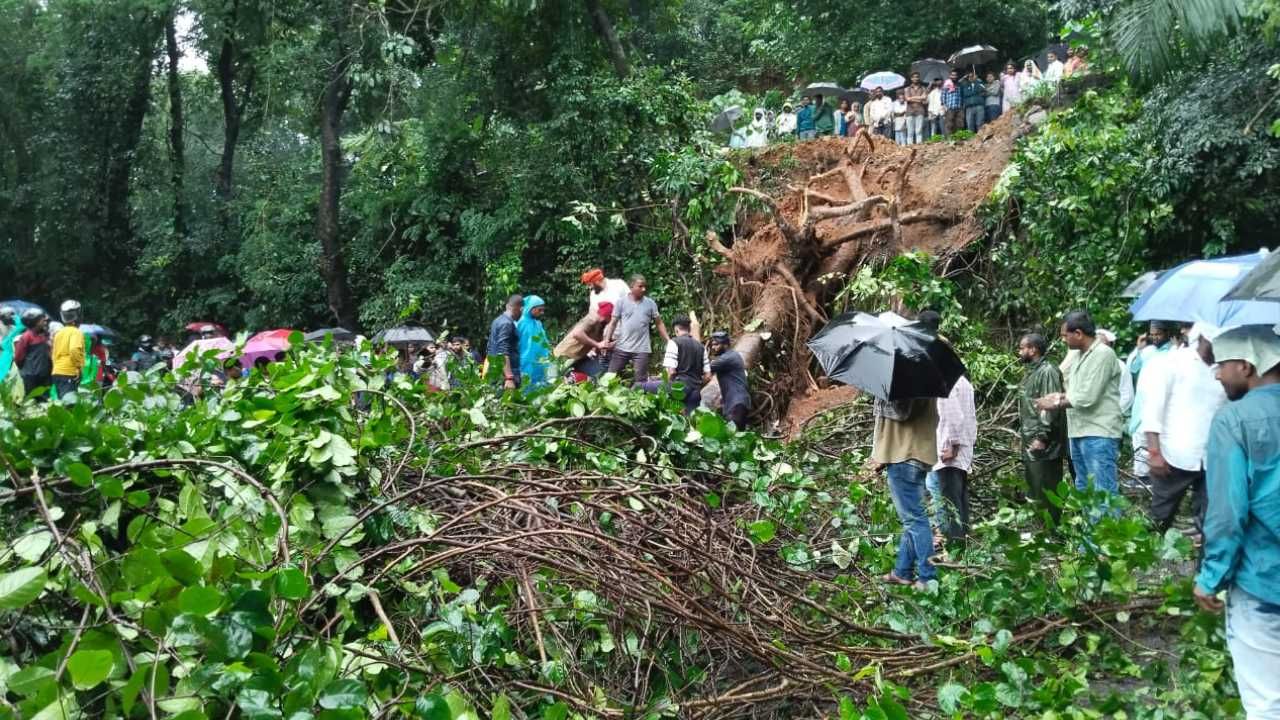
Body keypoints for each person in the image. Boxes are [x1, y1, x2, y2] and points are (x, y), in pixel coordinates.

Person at [1192, 324, 1280, 718]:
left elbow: (1228, 513)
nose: (1217, 374)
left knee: (1267, 702)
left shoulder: (1234, 420)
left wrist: (1211, 577)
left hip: (1264, 581)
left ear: (1246, 366)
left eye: (1222, 364)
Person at [1139, 322, 1227, 536]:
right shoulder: (1174, 362)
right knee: (1160, 518)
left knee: (1210, 522)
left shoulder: (1226, 369)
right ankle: (1143, 562)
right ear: (1205, 338)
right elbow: (1153, 410)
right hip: (1173, 456)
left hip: (1213, 457)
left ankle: (1203, 566)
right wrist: (1154, 453)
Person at [1036, 311, 1124, 497]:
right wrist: (1058, 396)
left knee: (1103, 491)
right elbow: (1070, 386)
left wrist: (1056, 403)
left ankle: (1108, 527)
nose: (1062, 340)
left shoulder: (1103, 354)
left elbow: (1086, 397)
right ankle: (1090, 527)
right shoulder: (1077, 356)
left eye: (1064, 335)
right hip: (1078, 431)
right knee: (1084, 489)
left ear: (1078, 334)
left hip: (1099, 432)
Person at [871, 393, 940, 589]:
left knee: (915, 521)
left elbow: (902, 412)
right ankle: (902, 571)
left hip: (904, 457)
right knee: (913, 519)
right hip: (917, 455)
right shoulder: (924, 381)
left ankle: (928, 577)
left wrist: (882, 396)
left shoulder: (905, 387)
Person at [1017, 333, 1067, 522]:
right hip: (1031, 437)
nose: (1020, 352)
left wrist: (1042, 437)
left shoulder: (1048, 371)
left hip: (1044, 443)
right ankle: (1041, 533)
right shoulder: (1033, 371)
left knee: (1047, 487)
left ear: (1033, 349)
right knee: (1035, 486)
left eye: (1022, 348)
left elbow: (1051, 405)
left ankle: (1051, 532)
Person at [1127, 321, 1179, 486]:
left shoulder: (1174, 351)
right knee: (1139, 438)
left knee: (1158, 439)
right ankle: (1141, 476)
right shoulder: (1148, 351)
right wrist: (1139, 348)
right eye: (1152, 334)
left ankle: (1157, 477)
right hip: (1142, 401)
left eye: (1158, 334)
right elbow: (1132, 369)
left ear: (1167, 333)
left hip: (1161, 402)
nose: (1155, 337)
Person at [932, 374, 977, 545]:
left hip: (950, 449)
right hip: (963, 447)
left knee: (950, 501)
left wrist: (952, 445)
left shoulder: (945, 381)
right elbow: (971, 417)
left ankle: (955, 546)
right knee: (959, 497)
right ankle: (964, 539)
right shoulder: (963, 382)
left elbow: (953, 416)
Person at [606, 275, 669, 383]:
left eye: (644, 287)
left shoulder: (650, 303)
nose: (643, 289)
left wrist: (668, 340)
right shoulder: (621, 302)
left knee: (641, 382)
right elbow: (613, 323)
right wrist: (607, 340)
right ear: (631, 287)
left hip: (642, 349)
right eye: (640, 286)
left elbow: (659, 323)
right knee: (610, 377)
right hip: (622, 347)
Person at [554, 302, 614, 383]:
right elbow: (577, 334)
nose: (611, 320)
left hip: (579, 357)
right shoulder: (592, 319)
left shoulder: (601, 325)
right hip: (564, 355)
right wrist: (598, 345)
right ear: (607, 316)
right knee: (557, 382)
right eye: (611, 317)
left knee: (596, 375)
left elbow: (598, 344)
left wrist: (606, 346)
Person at [663, 316, 710, 414]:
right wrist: (698, 385)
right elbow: (708, 376)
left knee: (641, 386)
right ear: (689, 329)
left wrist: (671, 388)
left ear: (676, 330)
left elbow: (671, 372)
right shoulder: (701, 347)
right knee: (690, 422)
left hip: (679, 387)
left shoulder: (674, 342)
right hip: (696, 391)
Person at [707, 331, 750, 427]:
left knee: (733, 437)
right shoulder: (732, 355)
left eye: (716, 345)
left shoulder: (727, 358)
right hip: (736, 403)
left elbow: (705, 368)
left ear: (725, 345)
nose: (713, 348)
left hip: (736, 404)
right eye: (712, 345)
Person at [50, 300, 86, 401]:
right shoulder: (76, 332)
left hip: (57, 371)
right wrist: (78, 367)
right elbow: (74, 350)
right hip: (69, 372)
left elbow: (53, 353)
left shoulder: (59, 333)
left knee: (62, 401)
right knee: (70, 404)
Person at [487, 294, 523, 390]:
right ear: (520, 308)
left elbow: (490, 347)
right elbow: (503, 351)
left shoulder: (497, 321)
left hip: (495, 371)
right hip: (504, 376)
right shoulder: (507, 324)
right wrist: (509, 377)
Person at [13, 309, 52, 399]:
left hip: (44, 375)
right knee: (32, 399)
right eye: (43, 320)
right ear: (35, 322)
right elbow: (18, 357)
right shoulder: (26, 336)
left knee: (45, 399)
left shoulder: (44, 335)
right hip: (30, 376)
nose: (45, 322)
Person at [517, 295, 551, 390]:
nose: (542, 312)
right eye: (539, 310)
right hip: (524, 364)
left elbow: (545, 343)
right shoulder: (519, 323)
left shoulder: (538, 324)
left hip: (540, 365)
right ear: (531, 308)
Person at [1096, 329, 1134, 413]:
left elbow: (1127, 396)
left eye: (1102, 345)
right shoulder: (1089, 363)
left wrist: (1112, 413)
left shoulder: (1120, 366)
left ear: (1110, 346)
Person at [903, 72, 928, 145]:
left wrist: (912, 98)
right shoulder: (907, 89)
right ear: (911, 78)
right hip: (910, 111)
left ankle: (919, 147)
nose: (915, 78)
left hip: (920, 111)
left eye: (917, 77)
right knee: (910, 131)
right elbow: (907, 99)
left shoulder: (923, 88)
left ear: (919, 78)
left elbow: (924, 98)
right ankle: (910, 148)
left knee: (919, 131)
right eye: (914, 77)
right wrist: (919, 99)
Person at [960, 69, 985, 133]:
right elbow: (959, 83)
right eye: (969, 76)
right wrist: (964, 77)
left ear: (975, 76)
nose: (970, 78)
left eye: (972, 76)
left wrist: (976, 81)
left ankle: (980, 138)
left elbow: (984, 90)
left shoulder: (980, 83)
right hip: (969, 107)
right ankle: (971, 140)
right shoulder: (964, 85)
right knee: (970, 124)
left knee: (980, 124)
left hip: (979, 106)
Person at [941, 70, 963, 136]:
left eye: (955, 75)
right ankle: (949, 140)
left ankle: (958, 138)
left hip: (959, 107)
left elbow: (962, 95)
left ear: (957, 76)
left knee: (959, 124)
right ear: (950, 76)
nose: (954, 76)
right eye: (952, 75)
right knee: (949, 124)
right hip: (949, 107)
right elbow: (943, 95)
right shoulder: (946, 84)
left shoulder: (959, 84)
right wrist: (944, 106)